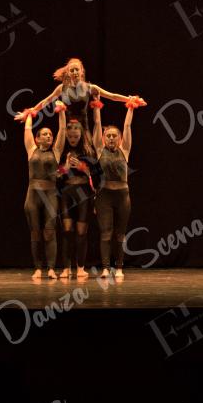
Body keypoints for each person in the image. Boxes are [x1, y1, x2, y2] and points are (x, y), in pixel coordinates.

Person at [18, 58, 144, 137]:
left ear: (81, 71)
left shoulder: (90, 87)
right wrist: (31, 111)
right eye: (72, 70)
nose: (75, 72)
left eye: (76, 70)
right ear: (68, 73)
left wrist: (131, 100)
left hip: (84, 128)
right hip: (68, 128)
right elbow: (46, 101)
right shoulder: (62, 88)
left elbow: (112, 96)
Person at [91, 94, 142, 279]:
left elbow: (127, 126)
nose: (111, 138)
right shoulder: (99, 149)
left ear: (120, 138)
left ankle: (119, 267)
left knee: (120, 234)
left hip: (122, 196)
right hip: (104, 196)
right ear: (104, 138)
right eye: (108, 136)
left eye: (114, 136)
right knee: (106, 233)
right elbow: (97, 124)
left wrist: (131, 107)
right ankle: (106, 268)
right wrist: (96, 105)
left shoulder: (124, 150)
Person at [15, 104, 66, 279]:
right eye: (45, 134)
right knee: (35, 233)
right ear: (37, 139)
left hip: (50, 195)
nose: (49, 136)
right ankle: (38, 268)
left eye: (50, 134)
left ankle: (51, 268)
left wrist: (61, 112)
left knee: (50, 232)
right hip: (33, 195)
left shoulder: (56, 151)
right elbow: (28, 129)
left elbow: (62, 130)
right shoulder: (31, 149)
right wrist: (30, 114)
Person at [57, 116, 98, 279]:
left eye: (75, 136)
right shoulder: (61, 151)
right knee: (67, 230)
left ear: (81, 135)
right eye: (70, 136)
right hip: (67, 193)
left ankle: (80, 267)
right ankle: (66, 268)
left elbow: (98, 175)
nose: (73, 139)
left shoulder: (88, 151)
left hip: (84, 194)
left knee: (81, 232)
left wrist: (84, 168)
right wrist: (65, 168)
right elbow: (55, 175)